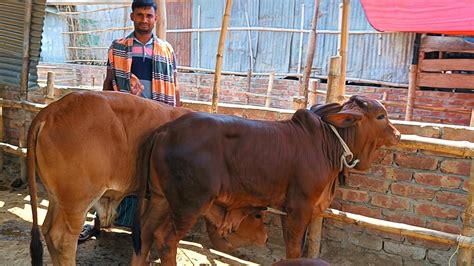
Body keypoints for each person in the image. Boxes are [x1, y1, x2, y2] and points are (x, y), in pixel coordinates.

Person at [79, 0, 180, 242]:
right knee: (107, 170)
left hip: (157, 122)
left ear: (155, 19)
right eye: (140, 15)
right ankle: (98, 222)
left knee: (150, 174)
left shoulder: (166, 50)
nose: (144, 20)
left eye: (148, 15)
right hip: (123, 123)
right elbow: (108, 82)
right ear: (131, 16)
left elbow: (175, 87)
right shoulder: (118, 48)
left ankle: (146, 227)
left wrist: (178, 117)